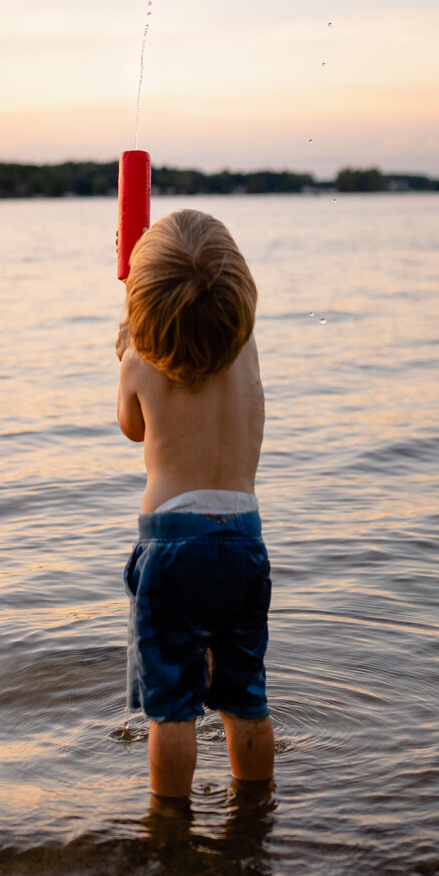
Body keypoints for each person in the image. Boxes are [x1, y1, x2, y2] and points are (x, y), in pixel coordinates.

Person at [115, 208, 273, 799]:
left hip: (172, 544)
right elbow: (200, 326)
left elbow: (133, 428)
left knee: (172, 709)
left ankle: (169, 822)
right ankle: (256, 807)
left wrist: (130, 344)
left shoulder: (139, 362)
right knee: (245, 697)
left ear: (146, 312)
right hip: (243, 540)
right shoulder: (248, 349)